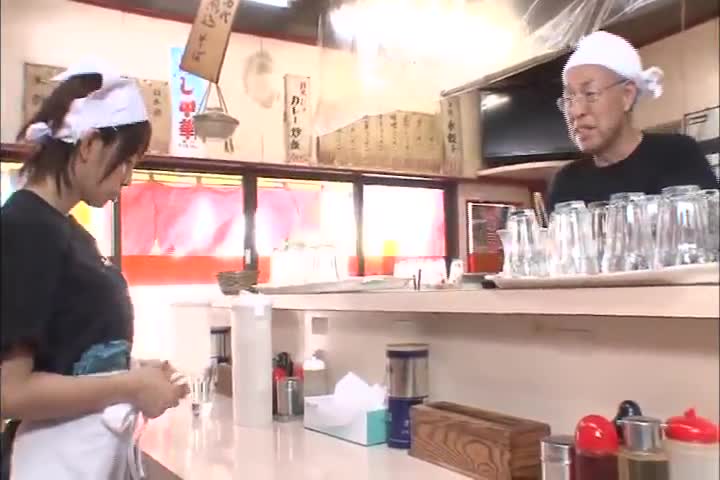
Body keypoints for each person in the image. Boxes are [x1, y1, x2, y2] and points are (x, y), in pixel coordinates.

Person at [0, 61, 188, 479]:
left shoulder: (68, 231)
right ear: (88, 145)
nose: (128, 178)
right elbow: (10, 391)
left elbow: (68, 355)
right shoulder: (25, 227)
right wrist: (131, 386)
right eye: (125, 161)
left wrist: (135, 370)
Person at [547, 31, 718, 210]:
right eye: (569, 98)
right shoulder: (566, 183)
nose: (576, 111)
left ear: (627, 96)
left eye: (590, 93)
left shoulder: (677, 155)